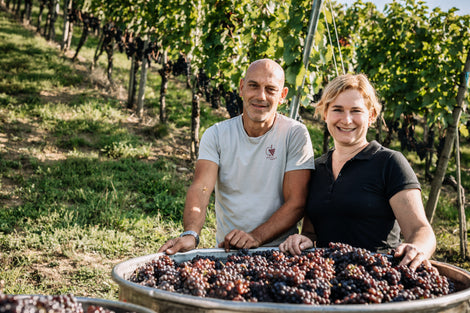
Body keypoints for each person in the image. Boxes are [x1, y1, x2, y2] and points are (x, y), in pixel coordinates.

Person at [279, 73, 436, 271]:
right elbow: (312, 235)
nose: (346, 119)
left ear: (371, 116)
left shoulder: (389, 163)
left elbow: (420, 230)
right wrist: (302, 240)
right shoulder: (316, 168)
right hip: (327, 281)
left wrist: (417, 248)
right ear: (325, 113)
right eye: (337, 109)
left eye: (356, 111)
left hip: (375, 283)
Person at [158, 59, 315, 255]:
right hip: (230, 250)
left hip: (280, 252)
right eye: (253, 86)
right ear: (241, 88)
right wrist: (191, 234)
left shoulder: (295, 134)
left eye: (271, 89)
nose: (261, 96)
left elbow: (297, 201)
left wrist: (256, 237)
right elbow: (201, 188)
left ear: (283, 96)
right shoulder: (216, 134)